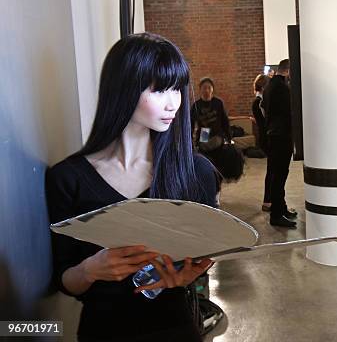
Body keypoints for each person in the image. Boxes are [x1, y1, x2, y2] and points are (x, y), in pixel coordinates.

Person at [46, 33, 218, 341]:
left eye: (177, 89)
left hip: (175, 328)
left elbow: (208, 256)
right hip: (103, 331)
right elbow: (63, 279)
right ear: (123, 89)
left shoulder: (196, 172)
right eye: (160, 89)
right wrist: (90, 270)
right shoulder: (67, 179)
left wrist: (190, 275)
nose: (173, 103)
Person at [262, 59, 298, 227]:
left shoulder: (269, 86)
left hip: (273, 135)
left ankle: (281, 208)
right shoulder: (282, 88)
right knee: (279, 176)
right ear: (289, 70)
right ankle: (276, 215)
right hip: (281, 136)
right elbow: (289, 113)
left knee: (278, 174)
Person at [191, 78, 243, 180]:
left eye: (208, 88)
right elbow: (191, 124)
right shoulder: (196, 105)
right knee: (206, 162)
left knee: (218, 163)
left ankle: (217, 180)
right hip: (204, 134)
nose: (206, 90)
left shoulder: (218, 103)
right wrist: (191, 143)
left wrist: (229, 138)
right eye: (204, 88)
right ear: (200, 90)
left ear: (212, 90)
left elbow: (225, 121)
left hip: (217, 134)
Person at [252, 74, 272, 211]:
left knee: (272, 170)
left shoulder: (260, 100)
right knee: (272, 171)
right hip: (266, 138)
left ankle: (269, 200)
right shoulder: (259, 102)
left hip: (265, 137)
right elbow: (265, 121)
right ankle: (267, 201)